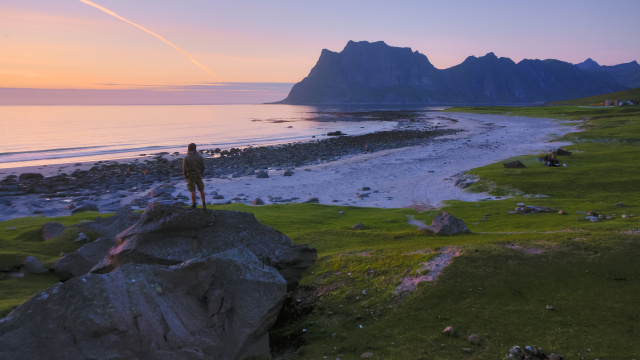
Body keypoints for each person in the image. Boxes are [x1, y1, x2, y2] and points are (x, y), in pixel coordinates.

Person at [182, 143, 206, 209]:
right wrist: (201, 173)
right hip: (198, 174)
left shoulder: (186, 158)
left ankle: (194, 205)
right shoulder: (199, 157)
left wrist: (186, 176)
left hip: (190, 175)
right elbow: (203, 167)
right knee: (201, 189)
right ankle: (204, 204)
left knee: (192, 191)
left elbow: (184, 169)